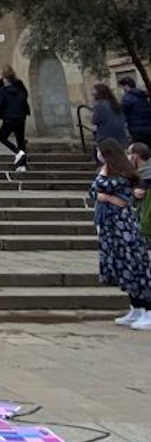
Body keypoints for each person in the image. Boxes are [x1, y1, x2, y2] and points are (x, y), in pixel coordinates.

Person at [91, 139, 151, 329]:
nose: (98, 156)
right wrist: (106, 196)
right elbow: (94, 191)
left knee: (135, 267)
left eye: (101, 152)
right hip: (111, 227)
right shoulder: (110, 170)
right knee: (123, 268)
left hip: (124, 226)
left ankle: (148, 310)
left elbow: (102, 186)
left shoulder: (123, 173)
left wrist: (103, 193)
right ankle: (136, 307)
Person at [0, 67, 30, 170]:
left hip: (9, 117)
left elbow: (0, 103)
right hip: (21, 116)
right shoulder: (19, 88)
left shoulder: (3, 89)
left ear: (5, 78)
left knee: (3, 137)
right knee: (20, 139)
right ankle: (22, 165)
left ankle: (19, 153)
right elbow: (25, 97)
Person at [91, 83, 128, 153]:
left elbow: (95, 121)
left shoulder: (99, 105)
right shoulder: (115, 104)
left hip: (104, 137)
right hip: (120, 138)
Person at [119, 76, 151, 144]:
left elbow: (121, 114)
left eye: (122, 87)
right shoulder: (143, 96)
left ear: (126, 86)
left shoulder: (127, 98)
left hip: (136, 130)